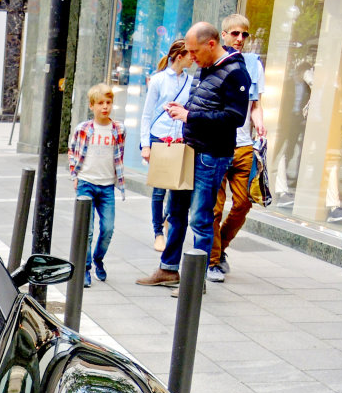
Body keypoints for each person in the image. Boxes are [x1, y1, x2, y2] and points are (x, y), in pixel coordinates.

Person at [136, 21, 250, 287]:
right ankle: (168, 269)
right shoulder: (204, 68)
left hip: (211, 155)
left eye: (195, 51)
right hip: (189, 150)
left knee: (200, 217)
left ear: (211, 44)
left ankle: (196, 282)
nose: (192, 57)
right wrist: (184, 108)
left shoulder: (236, 71)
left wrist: (190, 115)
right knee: (175, 212)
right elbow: (204, 105)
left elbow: (235, 117)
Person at [208, 14, 267, 282]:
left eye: (244, 34)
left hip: (244, 145)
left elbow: (255, 105)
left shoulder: (254, 64)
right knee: (215, 208)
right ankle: (212, 261)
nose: (240, 39)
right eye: (235, 34)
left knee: (243, 203)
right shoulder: (214, 62)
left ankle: (219, 249)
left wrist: (261, 126)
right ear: (223, 35)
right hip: (219, 144)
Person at [68, 83, 125, 288]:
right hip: (86, 183)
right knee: (88, 230)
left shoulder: (118, 129)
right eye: (100, 103)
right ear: (92, 106)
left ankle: (98, 258)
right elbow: (73, 151)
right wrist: (75, 174)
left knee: (108, 228)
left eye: (108, 103)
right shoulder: (83, 129)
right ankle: (85, 267)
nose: (105, 107)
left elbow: (119, 155)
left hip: (107, 186)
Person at [140, 39, 193, 254]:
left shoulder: (192, 81)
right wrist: (145, 145)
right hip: (160, 136)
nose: (194, 58)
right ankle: (158, 232)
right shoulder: (159, 80)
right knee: (159, 189)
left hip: (182, 139)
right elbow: (146, 114)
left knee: (179, 188)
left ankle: (167, 220)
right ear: (180, 56)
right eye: (190, 54)